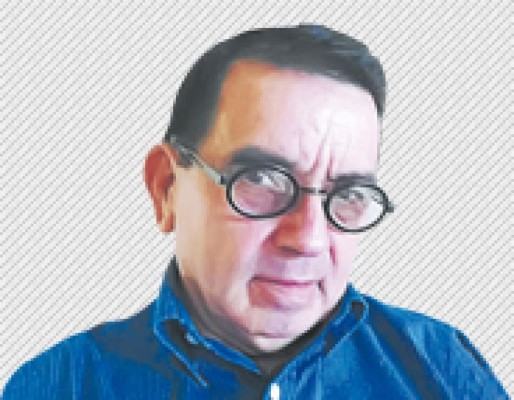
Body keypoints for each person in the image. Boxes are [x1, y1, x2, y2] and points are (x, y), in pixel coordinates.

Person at [3, 24, 508, 400]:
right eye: (263, 181)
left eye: (349, 194)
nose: (308, 239)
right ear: (166, 187)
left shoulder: (441, 367)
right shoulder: (59, 386)